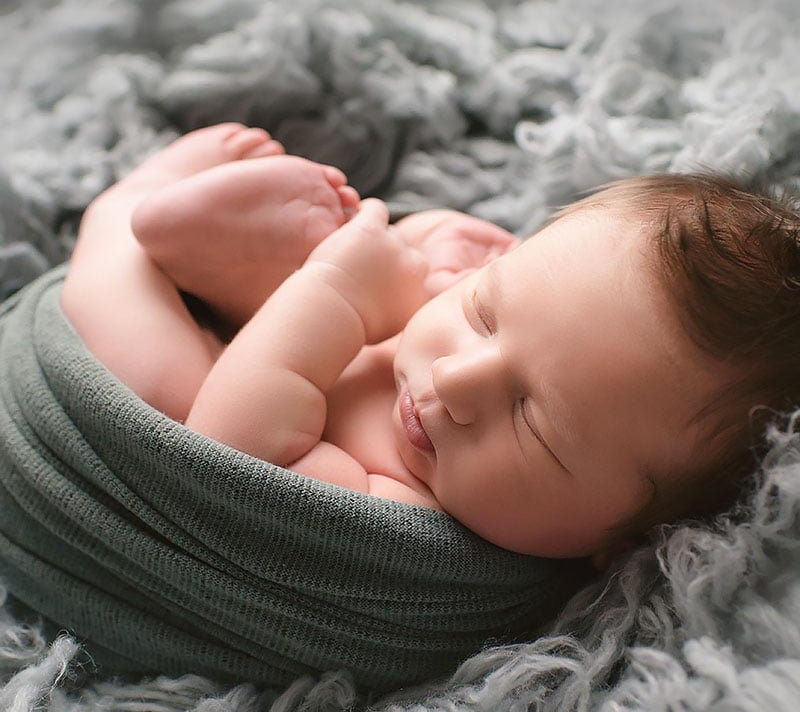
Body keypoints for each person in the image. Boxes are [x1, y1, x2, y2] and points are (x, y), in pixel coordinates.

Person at [60, 122, 800, 570]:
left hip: (226, 395)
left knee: (166, 387)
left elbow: (227, 453)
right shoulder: (525, 340)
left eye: (533, 420)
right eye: (485, 312)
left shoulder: (412, 535)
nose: (456, 378)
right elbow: (489, 288)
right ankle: (244, 272)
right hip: (315, 339)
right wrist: (436, 247)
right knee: (406, 275)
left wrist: (338, 292)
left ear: (626, 541)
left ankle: (117, 225)